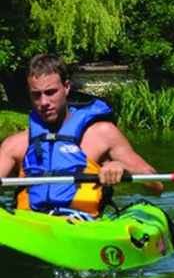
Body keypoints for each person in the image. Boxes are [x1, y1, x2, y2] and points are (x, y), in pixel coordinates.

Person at [0, 54, 162, 218]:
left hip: (81, 225)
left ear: (67, 87)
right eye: (36, 94)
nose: (43, 102)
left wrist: (122, 167)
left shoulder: (102, 134)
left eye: (51, 92)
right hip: (30, 225)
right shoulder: (15, 144)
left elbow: (156, 186)